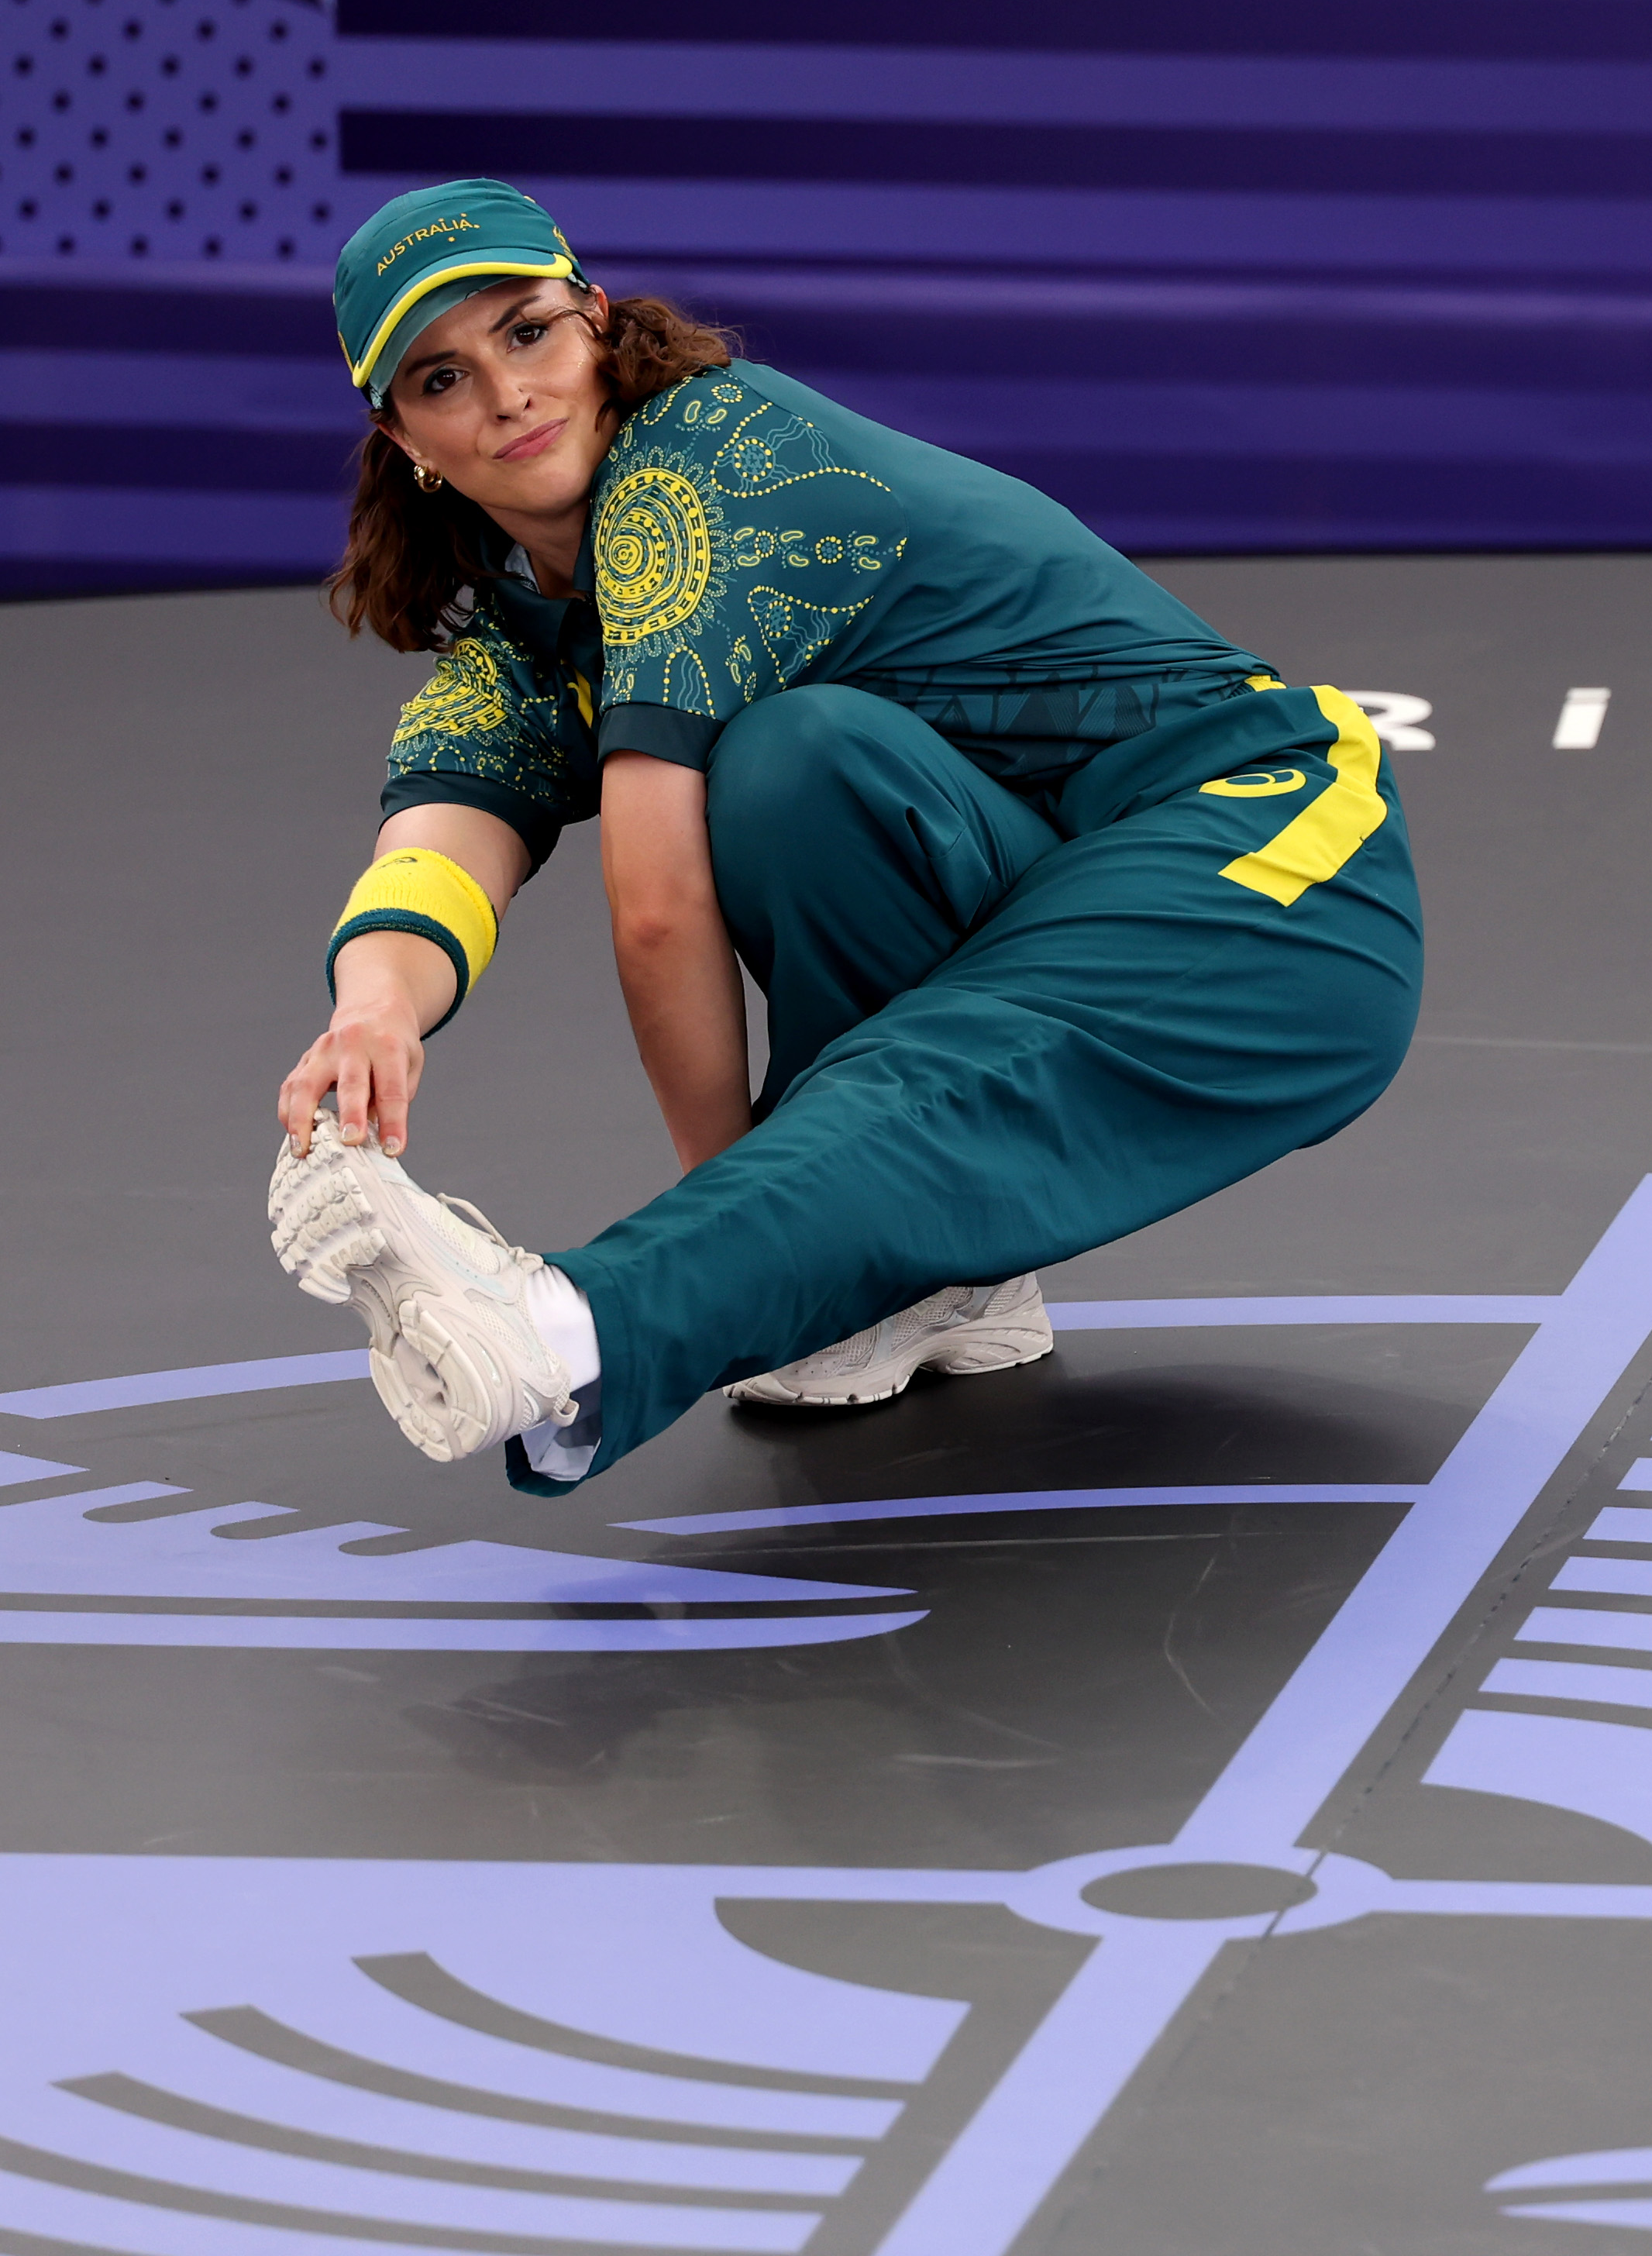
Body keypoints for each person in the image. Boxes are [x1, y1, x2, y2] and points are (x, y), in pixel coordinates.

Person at [264, 179, 1422, 1490]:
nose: (506, 393)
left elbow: (655, 907)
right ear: (403, 433)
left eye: (527, 333)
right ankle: (941, 1283)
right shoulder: (522, 626)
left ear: (596, 325)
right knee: (794, 761)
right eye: (442, 377)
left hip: (1276, 865)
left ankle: (560, 1330)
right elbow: (440, 843)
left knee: (926, 1008)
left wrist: (752, 1254)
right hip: (1044, 875)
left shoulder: (697, 465)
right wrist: (373, 1013)